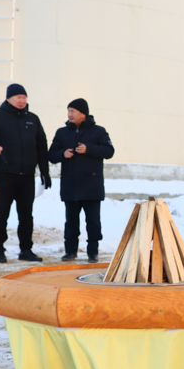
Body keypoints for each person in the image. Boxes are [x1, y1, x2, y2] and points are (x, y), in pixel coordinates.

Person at [0, 83, 51, 263]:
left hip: (27, 175)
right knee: (1, 213)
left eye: (24, 97)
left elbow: (41, 146)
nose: (22, 101)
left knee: (26, 215)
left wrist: (44, 172)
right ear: (8, 99)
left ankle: (26, 250)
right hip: (4, 174)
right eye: (18, 98)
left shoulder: (33, 119)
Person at [48, 98, 114, 263]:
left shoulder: (98, 131)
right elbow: (51, 155)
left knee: (93, 221)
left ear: (83, 113)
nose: (69, 114)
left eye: (73, 111)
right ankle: (70, 252)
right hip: (70, 185)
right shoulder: (62, 132)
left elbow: (109, 151)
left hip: (92, 185)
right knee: (71, 222)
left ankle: (93, 252)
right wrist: (63, 153)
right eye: (68, 111)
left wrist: (89, 149)